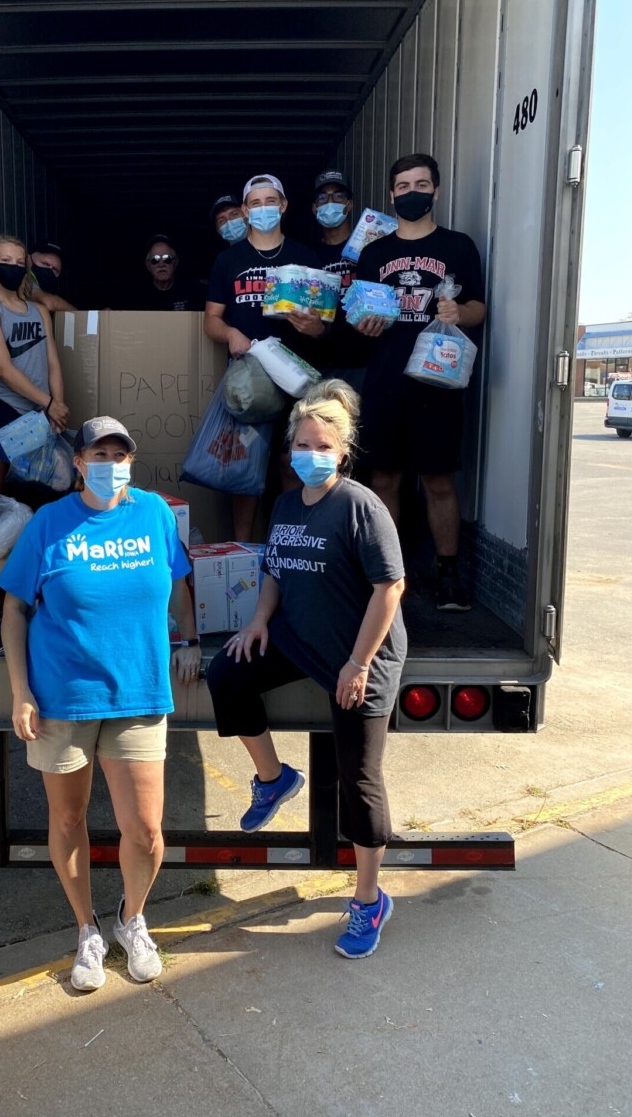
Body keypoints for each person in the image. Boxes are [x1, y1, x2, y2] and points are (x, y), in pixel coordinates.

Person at [0, 417, 201, 991]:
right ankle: (85, 927)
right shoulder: (49, 523)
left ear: (131, 462)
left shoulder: (155, 514)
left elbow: (180, 583)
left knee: (145, 828)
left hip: (138, 690)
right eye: (98, 453)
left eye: (120, 453)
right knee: (68, 818)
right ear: (79, 462)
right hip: (64, 698)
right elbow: (14, 609)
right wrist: (20, 691)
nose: (110, 462)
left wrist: (188, 641)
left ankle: (131, 919)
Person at [206, 379, 406, 959]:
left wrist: (358, 662)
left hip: (358, 655)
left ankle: (369, 901)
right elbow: (274, 568)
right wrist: (258, 621)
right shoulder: (288, 502)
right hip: (298, 638)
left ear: (341, 451)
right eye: (301, 445)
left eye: (322, 446)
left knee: (358, 781)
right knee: (229, 673)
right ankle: (274, 779)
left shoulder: (360, 506)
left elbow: (390, 586)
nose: (310, 455)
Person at [351, 153, 486, 611]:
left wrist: (459, 312)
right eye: (404, 186)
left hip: (438, 380)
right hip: (386, 379)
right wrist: (365, 324)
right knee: (383, 477)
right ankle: (390, 576)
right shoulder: (374, 253)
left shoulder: (459, 247)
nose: (413, 193)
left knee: (438, 479)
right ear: (392, 195)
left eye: (421, 184)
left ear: (436, 191)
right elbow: (359, 312)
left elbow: (479, 308)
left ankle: (448, 574)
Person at [204, 174, 324, 539]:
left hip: (295, 380)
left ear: (284, 206)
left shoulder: (304, 257)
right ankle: (243, 551)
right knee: (245, 472)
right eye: (255, 204)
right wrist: (231, 333)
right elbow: (211, 319)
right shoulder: (228, 260)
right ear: (244, 210)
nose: (263, 209)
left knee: (293, 465)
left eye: (270, 201)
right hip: (248, 384)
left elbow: (323, 326)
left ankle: (292, 545)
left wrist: (311, 327)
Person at [0, 235, 68, 491]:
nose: (13, 267)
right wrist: (49, 403)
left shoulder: (39, 311)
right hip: (6, 407)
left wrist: (56, 403)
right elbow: (3, 368)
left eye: (19, 262)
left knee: (45, 484)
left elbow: (53, 362)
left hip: (42, 412)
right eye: (5, 260)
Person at [311, 169, 371, 392]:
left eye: (338, 196)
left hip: (365, 360)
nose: (330, 202)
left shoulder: (370, 250)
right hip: (322, 362)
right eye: (322, 198)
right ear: (314, 208)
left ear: (349, 205)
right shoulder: (308, 256)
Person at [123, 235, 206, 311]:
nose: (161, 264)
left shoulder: (193, 292)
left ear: (175, 262)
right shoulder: (136, 296)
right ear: (148, 265)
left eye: (167, 259)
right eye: (155, 260)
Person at [27, 240, 76, 313]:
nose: (49, 270)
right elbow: (49, 303)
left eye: (54, 269)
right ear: (29, 261)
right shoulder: (26, 278)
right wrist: (79, 314)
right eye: (45, 264)